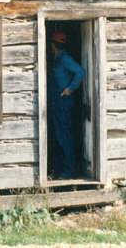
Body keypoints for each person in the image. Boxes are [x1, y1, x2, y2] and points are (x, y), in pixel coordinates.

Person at [50, 31, 85, 179]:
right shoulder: (57, 59)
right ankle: (61, 169)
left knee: (65, 136)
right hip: (57, 103)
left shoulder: (64, 58)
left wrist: (70, 89)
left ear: (53, 45)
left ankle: (69, 171)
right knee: (59, 135)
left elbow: (80, 72)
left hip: (64, 103)